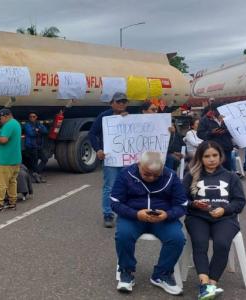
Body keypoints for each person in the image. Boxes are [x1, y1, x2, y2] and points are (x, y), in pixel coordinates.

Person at [110, 151, 187, 295]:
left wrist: (167, 215)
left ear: (163, 168)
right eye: (147, 174)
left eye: (156, 175)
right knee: (123, 235)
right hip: (134, 215)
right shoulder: (126, 174)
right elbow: (115, 202)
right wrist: (135, 214)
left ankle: (161, 274)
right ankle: (126, 272)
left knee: (177, 238)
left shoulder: (171, 176)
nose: (151, 178)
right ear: (139, 164)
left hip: (162, 217)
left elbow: (182, 204)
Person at [183, 141, 246, 299]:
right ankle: (204, 285)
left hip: (225, 218)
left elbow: (239, 201)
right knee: (200, 243)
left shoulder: (231, 176)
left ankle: (212, 283)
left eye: (214, 155)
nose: (211, 159)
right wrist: (193, 204)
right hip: (198, 217)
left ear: (221, 156)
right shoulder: (191, 175)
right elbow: (180, 200)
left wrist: (225, 209)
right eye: (207, 156)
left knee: (222, 243)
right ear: (200, 157)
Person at [88, 92, 129, 228]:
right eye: (118, 101)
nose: (121, 104)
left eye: (124, 101)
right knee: (109, 187)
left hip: (127, 158)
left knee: (126, 187)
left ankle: (123, 214)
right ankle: (108, 214)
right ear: (112, 103)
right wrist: (98, 149)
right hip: (111, 158)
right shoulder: (104, 116)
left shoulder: (130, 117)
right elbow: (92, 133)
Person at [0, 108, 22, 213]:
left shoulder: (8, 125)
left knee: (1, 183)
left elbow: (3, 140)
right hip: (15, 159)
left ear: (6, 116)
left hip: (6, 160)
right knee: (12, 181)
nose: (0, 120)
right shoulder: (15, 123)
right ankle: (12, 202)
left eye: (1, 118)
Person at [197, 106, 234, 171]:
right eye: (217, 111)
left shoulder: (226, 118)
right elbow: (200, 134)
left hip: (227, 147)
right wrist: (211, 132)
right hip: (214, 148)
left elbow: (234, 129)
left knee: (227, 168)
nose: (219, 112)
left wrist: (226, 130)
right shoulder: (204, 120)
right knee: (216, 168)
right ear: (213, 111)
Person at [23, 111, 48, 183]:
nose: (32, 118)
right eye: (30, 117)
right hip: (31, 146)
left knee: (45, 159)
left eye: (33, 116)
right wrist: (38, 131)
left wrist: (38, 130)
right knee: (34, 162)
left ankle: (36, 173)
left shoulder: (39, 124)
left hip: (39, 146)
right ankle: (37, 176)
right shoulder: (27, 125)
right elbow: (31, 133)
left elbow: (45, 131)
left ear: (36, 117)